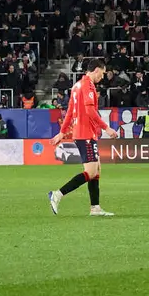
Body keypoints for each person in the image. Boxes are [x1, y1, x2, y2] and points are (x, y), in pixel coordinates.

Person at [48, 59, 117, 217]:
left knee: (96, 169)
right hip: (86, 133)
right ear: (96, 70)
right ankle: (57, 194)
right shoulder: (88, 85)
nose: (103, 77)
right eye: (102, 73)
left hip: (83, 133)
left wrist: (62, 132)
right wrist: (106, 127)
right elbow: (90, 112)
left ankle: (95, 208)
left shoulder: (77, 85)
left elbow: (70, 111)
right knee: (91, 171)